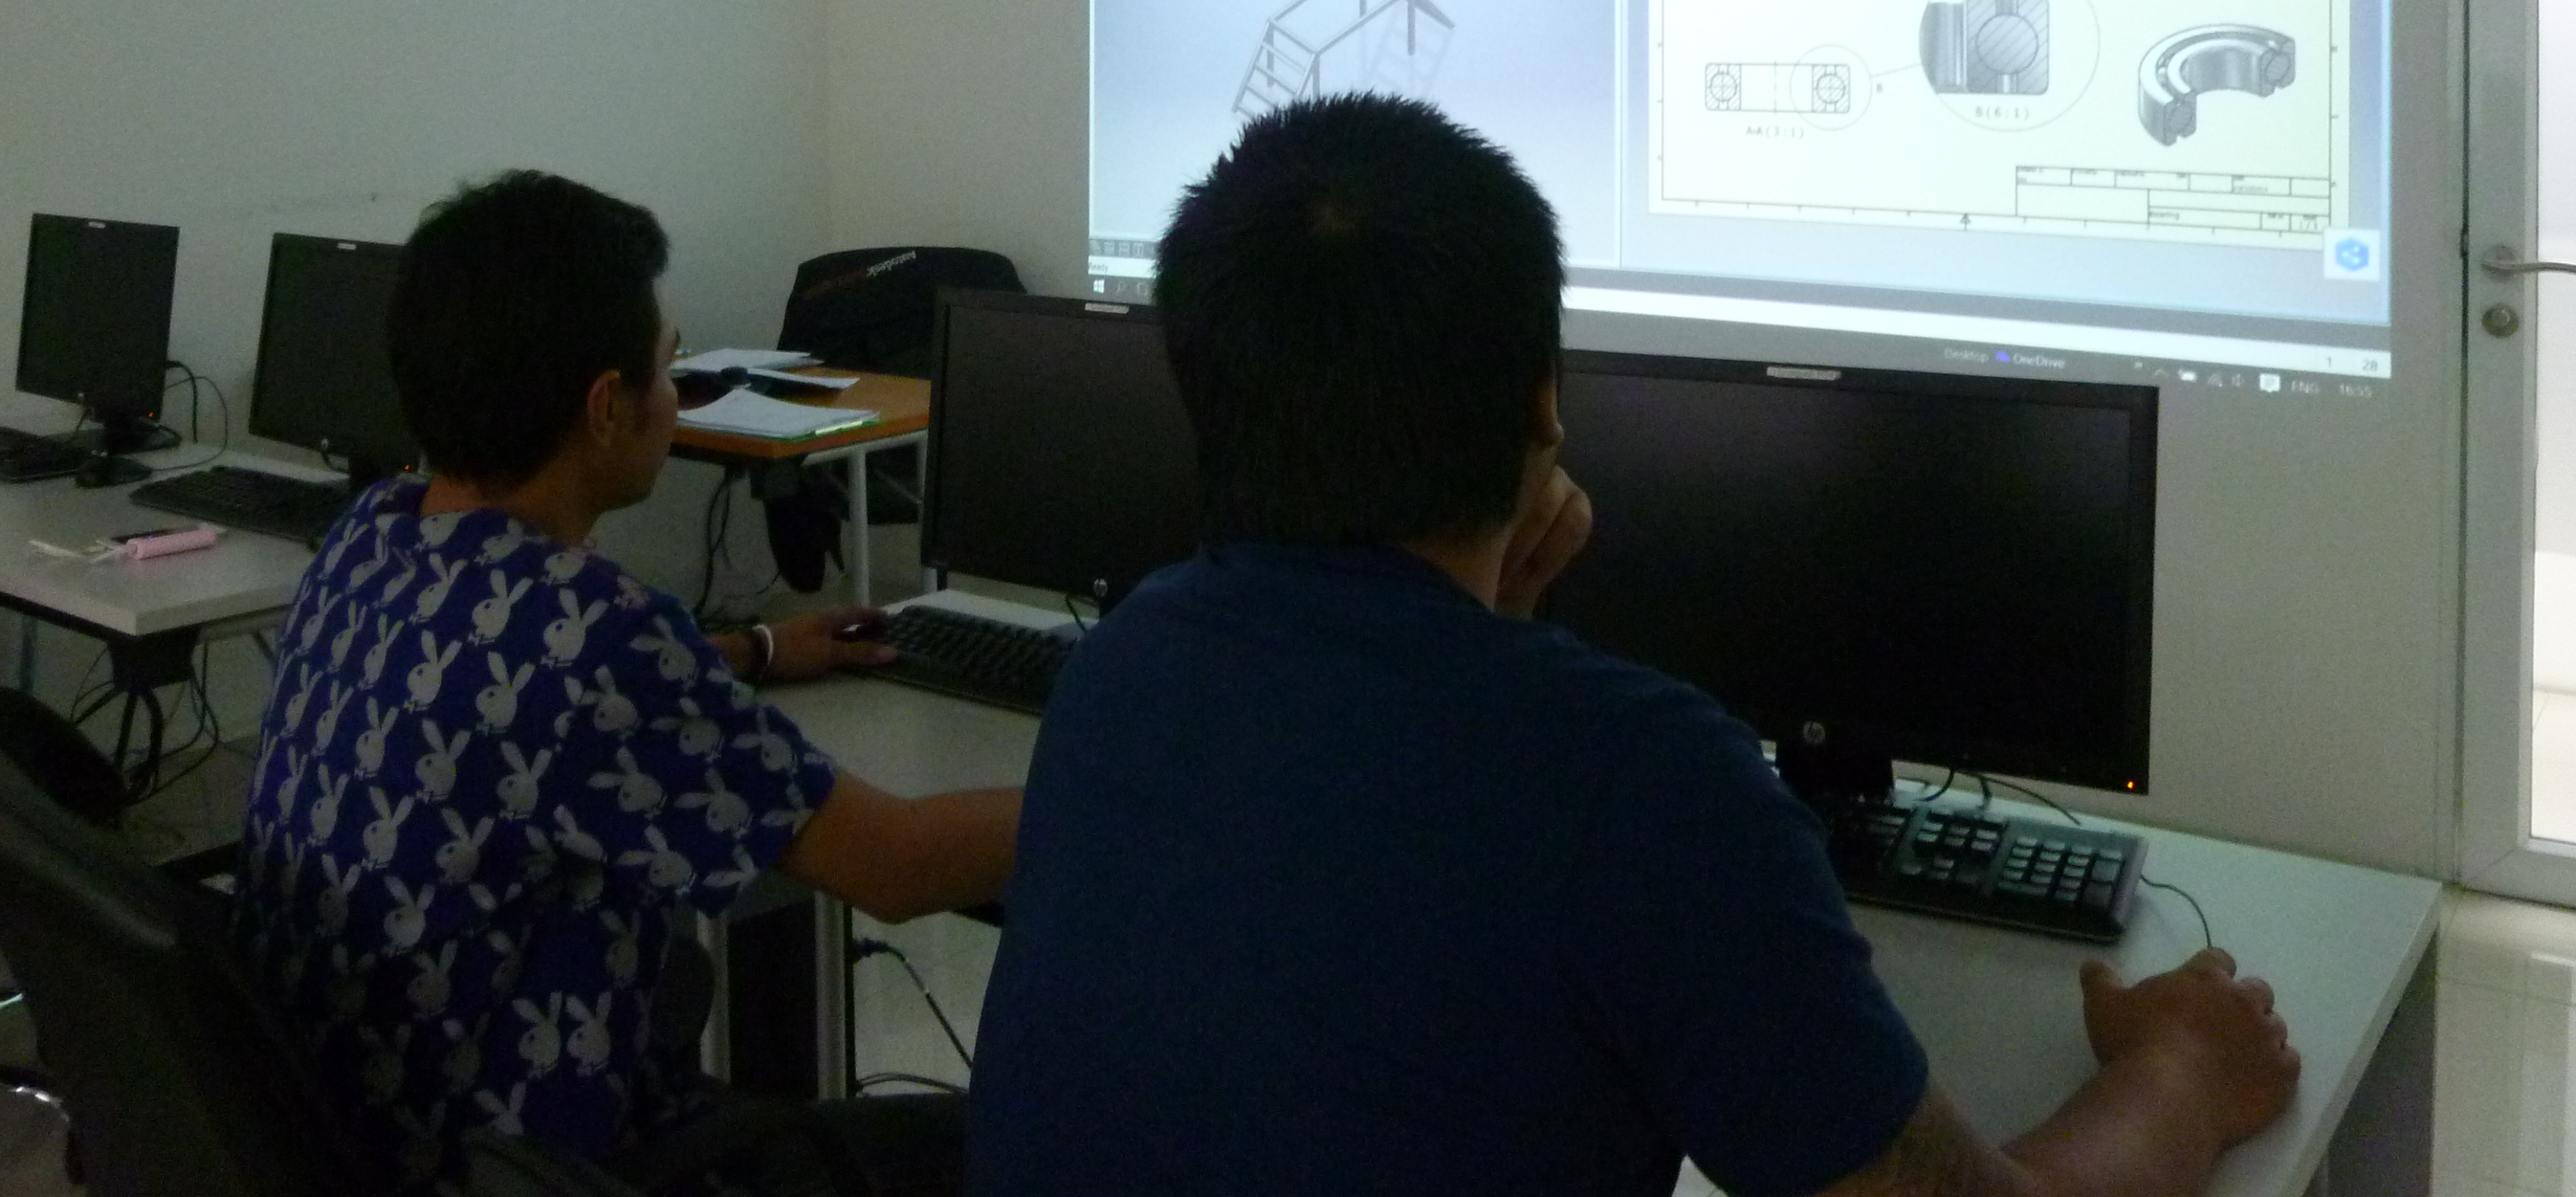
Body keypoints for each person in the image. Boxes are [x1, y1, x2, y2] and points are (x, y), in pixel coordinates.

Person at [969, 94, 2297, 1197]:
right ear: (1545, 400)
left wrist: (1491, 630)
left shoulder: (1127, 662)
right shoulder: (1641, 783)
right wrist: (2182, 1068)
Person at [234, 170, 1018, 1196]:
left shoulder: (372, 533)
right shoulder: (595, 636)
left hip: (345, 1120)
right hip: (522, 1165)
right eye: (669, 366)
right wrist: (1124, 791)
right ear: (608, 407)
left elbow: (515, 691)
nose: (675, 395)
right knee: (997, 1140)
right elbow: (897, 869)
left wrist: (761, 650)